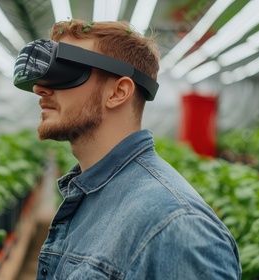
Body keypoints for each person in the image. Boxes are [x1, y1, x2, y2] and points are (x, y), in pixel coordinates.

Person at [13, 19, 241, 279]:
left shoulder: (175, 227)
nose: (39, 88)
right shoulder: (89, 193)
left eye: (65, 72)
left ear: (118, 92)